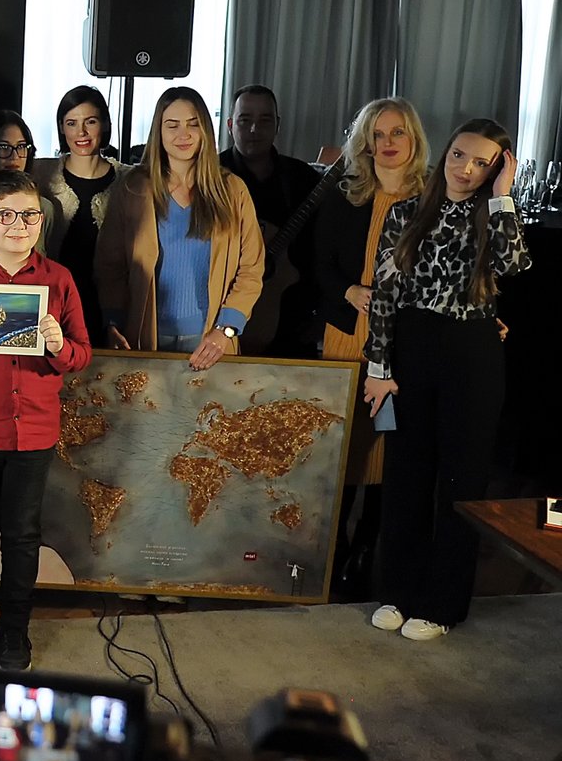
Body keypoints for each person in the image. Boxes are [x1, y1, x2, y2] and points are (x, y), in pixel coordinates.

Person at [362, 119, 528, 642]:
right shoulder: (406, 212)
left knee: (461, 481)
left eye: (482, 163)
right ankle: (398, 591)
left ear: (496, 170)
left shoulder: (493, 216)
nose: (465, 169)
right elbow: (384, 295)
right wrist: (378, 368)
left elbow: (513, 264)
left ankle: (442, 605)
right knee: (406, 476)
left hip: (472, 353)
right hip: (412, 347)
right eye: (459, 155)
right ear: (445, 154)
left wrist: (502, 197)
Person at [0, 170, 91, 671]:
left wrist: (59, 346)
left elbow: (83, 352)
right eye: (6, 215)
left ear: (41, 221)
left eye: (29, 215)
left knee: (21, 536)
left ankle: (14, 633)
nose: (18, 224)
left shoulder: (59, 279)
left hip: (34, 431)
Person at [313, 98, 430, 598]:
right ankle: (334, 548)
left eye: (397, 132)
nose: (387, 143)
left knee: (391, 443)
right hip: (347, 334)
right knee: (343, 445)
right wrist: (347, 290)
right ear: (365, 142)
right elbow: (316, 262)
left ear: (413, 139)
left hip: (403, 340)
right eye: (378, 134)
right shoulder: (344, 195)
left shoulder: (433, 201)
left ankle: (366, 548)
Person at [95, 87, 263, 369]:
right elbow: (110, 266)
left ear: (205, 130)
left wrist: (225, 330)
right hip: (145, 338)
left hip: (211, 340)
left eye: (192, 124)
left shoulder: (233, 190)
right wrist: (112, 321)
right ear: (158, 132)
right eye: (172, 125)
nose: (183, 134)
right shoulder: (133, 188)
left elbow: (251, 268)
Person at [219, 84, 322, 356]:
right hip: (223, 319)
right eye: (245, 120)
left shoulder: (302, 178)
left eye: (265, 120)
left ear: (278, 125)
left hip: (294, 325)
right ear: (230, 125)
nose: (254, 129)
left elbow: (321, 252)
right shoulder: (211, 176)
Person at [32, 86, 129, 344]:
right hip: (52, 304)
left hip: (110, 308)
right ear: (61, 128)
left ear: (105, 124)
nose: (81, 132)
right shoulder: (40, 174)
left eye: (91, 122)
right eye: (72, 123)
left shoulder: (129, 180)